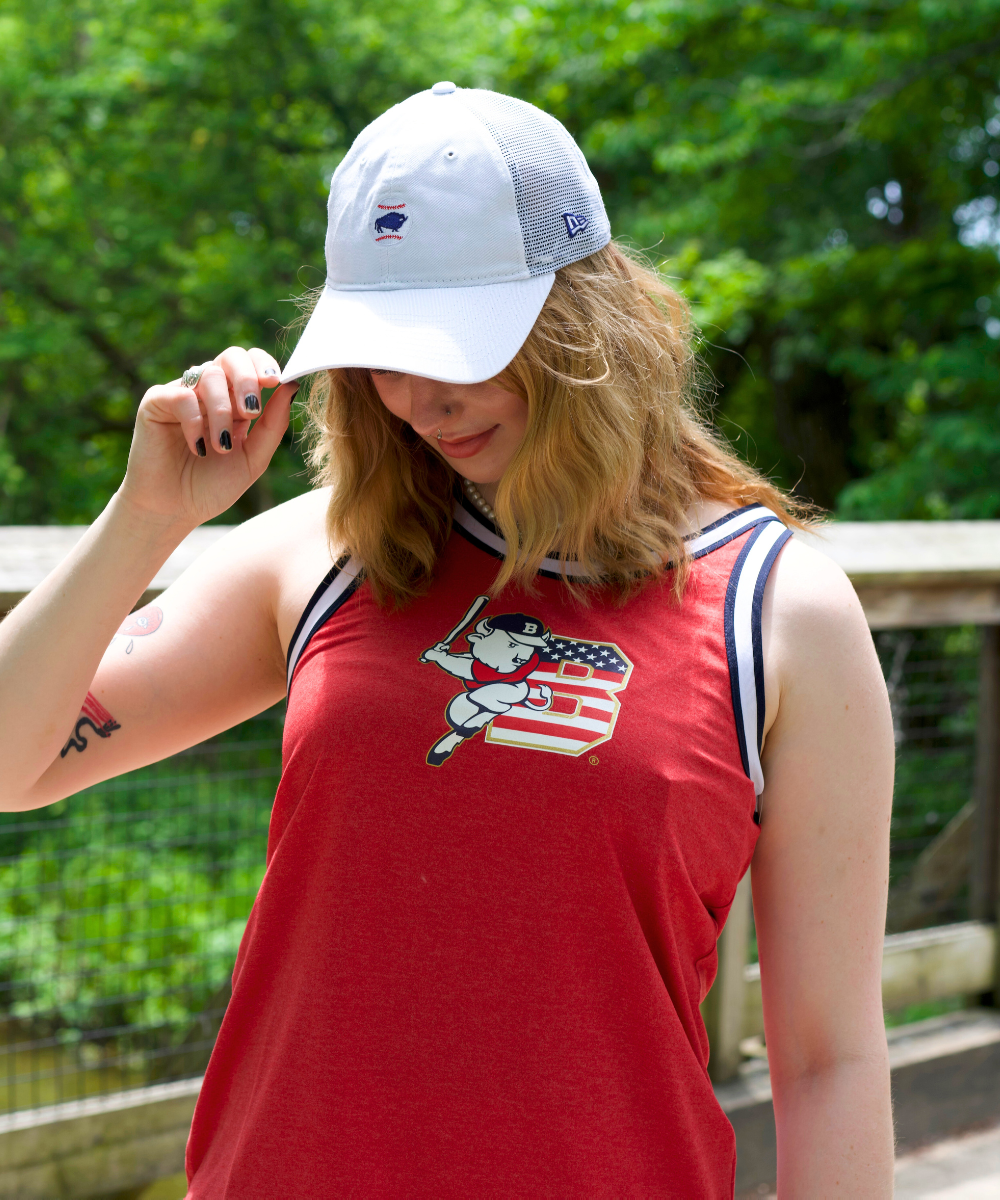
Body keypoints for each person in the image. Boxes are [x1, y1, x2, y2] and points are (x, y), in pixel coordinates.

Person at [0, 83, 895, 1197]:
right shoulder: (326, 552)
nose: (418, 397)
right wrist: (149, 516)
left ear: (582, 319)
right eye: (382, 350)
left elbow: (827, 1059)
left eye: (459, 345)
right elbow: (12, 762)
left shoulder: (779, 612)